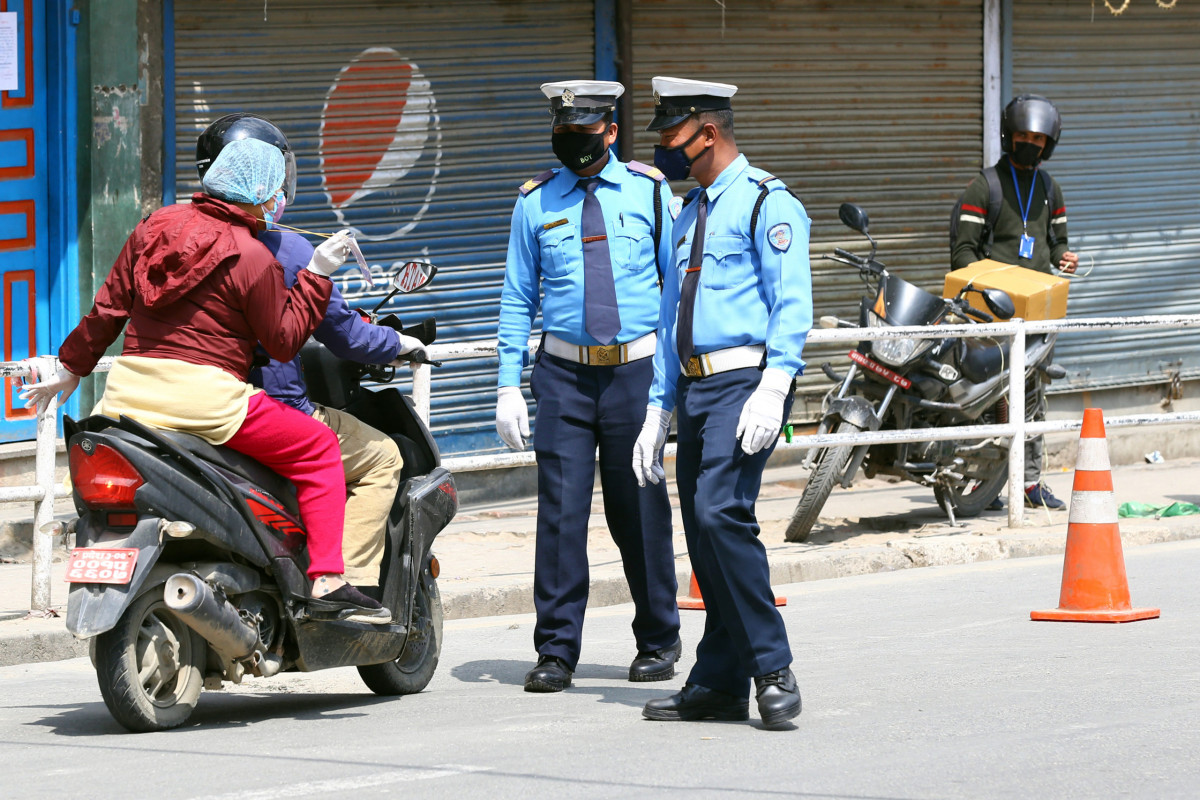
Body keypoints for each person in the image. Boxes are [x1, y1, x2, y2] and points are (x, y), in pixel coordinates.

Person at [20, 129, 387, 623]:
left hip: (127, 392)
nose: (279, 200)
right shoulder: (252, 255)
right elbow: (282, 341)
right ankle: (328, 579)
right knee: (319, 447)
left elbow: (108, 309)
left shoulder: (153, 226)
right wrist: (318, 275)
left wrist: (70, 368)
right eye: (276, 190)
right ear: (261, 193)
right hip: (206, 400)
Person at [633, 76, 811, 729]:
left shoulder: (769, 203)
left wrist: (777, 383)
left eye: (672, 138)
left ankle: (773, 666)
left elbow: (791, 301)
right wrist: (658, 408)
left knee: (719, 515)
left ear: (707, 133)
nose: (665, 152)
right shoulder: (687, 213)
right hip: (696, 387)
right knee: (705, 539)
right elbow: (667, 314)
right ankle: (717, 682)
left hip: (745, 383)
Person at [496, 80, 682, 693]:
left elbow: (673, 294)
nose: (573, 144)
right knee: (560, 516)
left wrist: (667, 384)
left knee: (641, 511)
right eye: (563, 134)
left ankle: (658, 637)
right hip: (564, 376)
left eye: (584, 133)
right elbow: (519, 299)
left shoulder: (651, 193)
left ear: (610, 132)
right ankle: (556, 650)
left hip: (635, 372)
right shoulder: (534, 202)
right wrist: (506, 386)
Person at [194, 114, 427, 588]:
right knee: (383, 456)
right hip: (259, 412)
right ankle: (349, 584)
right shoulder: (284, 251)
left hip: (182, 406)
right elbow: (347, 337)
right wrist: (401, 343)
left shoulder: (179, 235)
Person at [951, 93, 1078, 510]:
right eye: (1023, 135)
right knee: (986, 400)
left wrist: (1065, 258)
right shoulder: (983, 186)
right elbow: (963, 254)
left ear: (1049, 144)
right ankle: (979, 485)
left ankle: (1029, 483)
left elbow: (1057, 243)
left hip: (1038, 315)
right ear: (1010, 136)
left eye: (1038, 138)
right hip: (990, 315)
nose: (1030, 143)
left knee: (1033, 400)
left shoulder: (1050, 188)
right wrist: (991, 291)